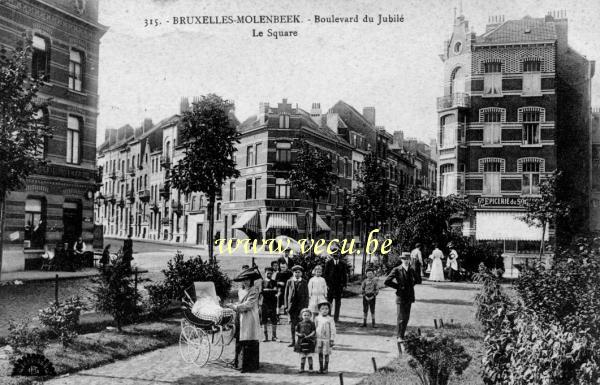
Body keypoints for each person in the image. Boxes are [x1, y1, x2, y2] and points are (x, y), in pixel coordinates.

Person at [229, 266, 262, 373]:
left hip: (249, 318)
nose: (245, 282)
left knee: (249, 340)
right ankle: (239, 363)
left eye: (247, 279)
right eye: (244, 280)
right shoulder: (240, 291)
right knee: (239, 339)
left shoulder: (254, 291)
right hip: (240, 317)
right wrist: (235, 305)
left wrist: (235, 307)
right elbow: (240, 302)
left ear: (251, 280)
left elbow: (248, 305)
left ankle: (249, 366)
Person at [384, 253, 416, 354]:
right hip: (401, 296)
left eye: (408, 259)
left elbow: (418, 279)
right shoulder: (397, 269)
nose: (406, 260)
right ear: (401, 260)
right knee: (401, 317)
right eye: (404, 259)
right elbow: (387, 281)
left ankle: (402, 334)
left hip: (409, 296)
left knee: (406, 317)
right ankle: (399, 336)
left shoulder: (411, 269)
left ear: (410, 259)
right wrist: (398, 287)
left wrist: (410, 286)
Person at [285, 265, 309, 347]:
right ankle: (292, 341)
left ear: (301, 273)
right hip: (292, 307)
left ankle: (300, 341)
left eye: (299, 272)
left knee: (301, 325)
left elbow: (306, 295)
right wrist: (286, 306)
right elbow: (286, 294)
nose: (297, 274)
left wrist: (306, 307)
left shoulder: (304, 282)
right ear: (293, 273)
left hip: (301, 307)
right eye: (295, 272)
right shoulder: (289, 281)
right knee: (292, 325)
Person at [324, 246, 348, 322]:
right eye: (334, 254)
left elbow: (344, 275)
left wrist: (344, 285)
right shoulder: (328, 263)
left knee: (338, 302)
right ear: (332, 254)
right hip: (330, 286)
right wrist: (326, 285)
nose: (336, 255)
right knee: (329, 301)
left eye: (337, 253)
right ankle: (328, 316)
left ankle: (336, 317)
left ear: (339, 254)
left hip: (339, 286)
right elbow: (326, 275)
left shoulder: (343, 264)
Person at [314, 301, 336, 374]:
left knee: (326, 354)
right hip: (319, 339)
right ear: (319, 310)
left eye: (326, 309)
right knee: (320, 353)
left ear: (329, 310)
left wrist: (332, 339)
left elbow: (333, 330)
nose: (325, 310)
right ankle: (320, 368)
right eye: (322, 309)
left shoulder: (330, 319)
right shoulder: (317, 318)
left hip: (327, 339)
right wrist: (314, 337)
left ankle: (325, 368)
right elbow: (315, 328)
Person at [294, 308, 316, 373]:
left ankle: (311, 368)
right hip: (301, 341)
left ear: (310, 316)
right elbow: (296, 331)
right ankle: (302, 368)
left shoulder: (312, 323)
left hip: (310, 341)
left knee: (309, 356)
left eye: (308, 315)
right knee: (303, 356)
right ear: (301, 315)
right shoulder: (299, 324)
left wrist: (309, 335)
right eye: (305, 315)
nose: (306, 316)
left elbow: (313, 331)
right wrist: (299, 334)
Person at [260, 267, 279, 342]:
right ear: (265, 273)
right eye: (268, 273)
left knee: (274, 319)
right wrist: (271, 290)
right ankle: (266, 336)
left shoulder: (274, 282)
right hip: (264, 303)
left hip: (273, 303)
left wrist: (267, 290)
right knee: (264, 320)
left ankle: (274, 336)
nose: (269, 274)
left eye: (271, 273)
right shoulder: (262, 282)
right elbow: (261, 291)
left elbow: (276, 291)